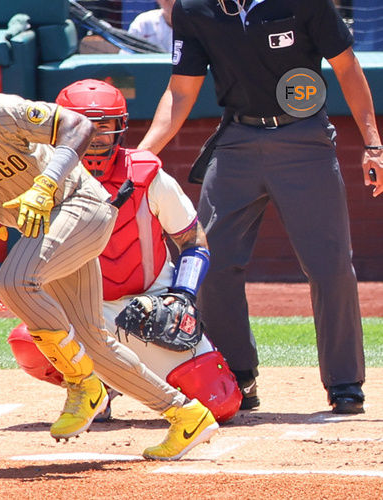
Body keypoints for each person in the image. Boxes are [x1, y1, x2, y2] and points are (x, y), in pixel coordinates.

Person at [0, 51, 218, 460]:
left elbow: (77, 125)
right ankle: (185, 415)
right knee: (96, 342)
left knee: (14, 283)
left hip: (81, 204)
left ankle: (83, 383)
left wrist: (46, 184)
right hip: (44, 233)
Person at [136, 0, 383, 414]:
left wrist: (372, 143)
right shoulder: (194, 10)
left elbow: (346, 66)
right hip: (237, 137)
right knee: (209, 259)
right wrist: (141, 156)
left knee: (330, 264)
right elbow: (180, 91)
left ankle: (344, 381)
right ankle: (236, 376)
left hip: (305, 136)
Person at [0, 79, 242, 424]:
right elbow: (35, 240)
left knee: (221, 403)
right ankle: (93, 386)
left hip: (151, 308)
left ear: (120, 127)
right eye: (80, 122)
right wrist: (5, 283)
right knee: (28, 339)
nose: (93, 135)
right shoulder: (43, 179)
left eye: (103, 125)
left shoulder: (146, 174)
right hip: (84, 307)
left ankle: (128, 375)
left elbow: (193, 240)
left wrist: (182, 295)